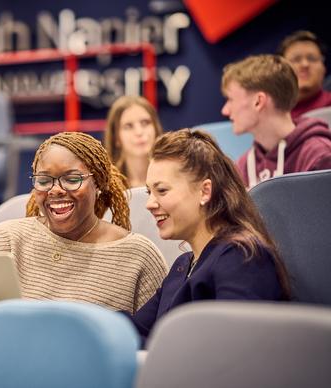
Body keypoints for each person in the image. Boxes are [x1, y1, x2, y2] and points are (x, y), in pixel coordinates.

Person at [124, 129, 290, 345]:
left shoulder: (242, 258)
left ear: (205, 191)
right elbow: (134, 330)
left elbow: (237, 353)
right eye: (149, 192)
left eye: (162, 190)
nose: (149, 204)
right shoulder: (183, 265)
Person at [0, 131, 168, 313]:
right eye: (44, 180)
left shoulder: (139, 256)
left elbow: (155, 342)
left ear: (98, 183)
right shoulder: (1, 242)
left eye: (72, 179)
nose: (55, 190)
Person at [220, 54, 331, 188]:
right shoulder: (243, 167)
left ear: (258, 101)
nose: (225, 110)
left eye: (230, 99)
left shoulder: (320, 156)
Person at [104, 96, 164, 188]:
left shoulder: (174, 178)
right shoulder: (107, 187)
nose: (139, 132)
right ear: (116, 138)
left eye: (145, 123)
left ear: (156, 128)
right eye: (128, 126)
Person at [277, 30, 331, 120]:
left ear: (323, 68)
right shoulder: (272, 118)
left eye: (312, 59)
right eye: (296, 59)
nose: (305, 64)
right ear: (280, 71)